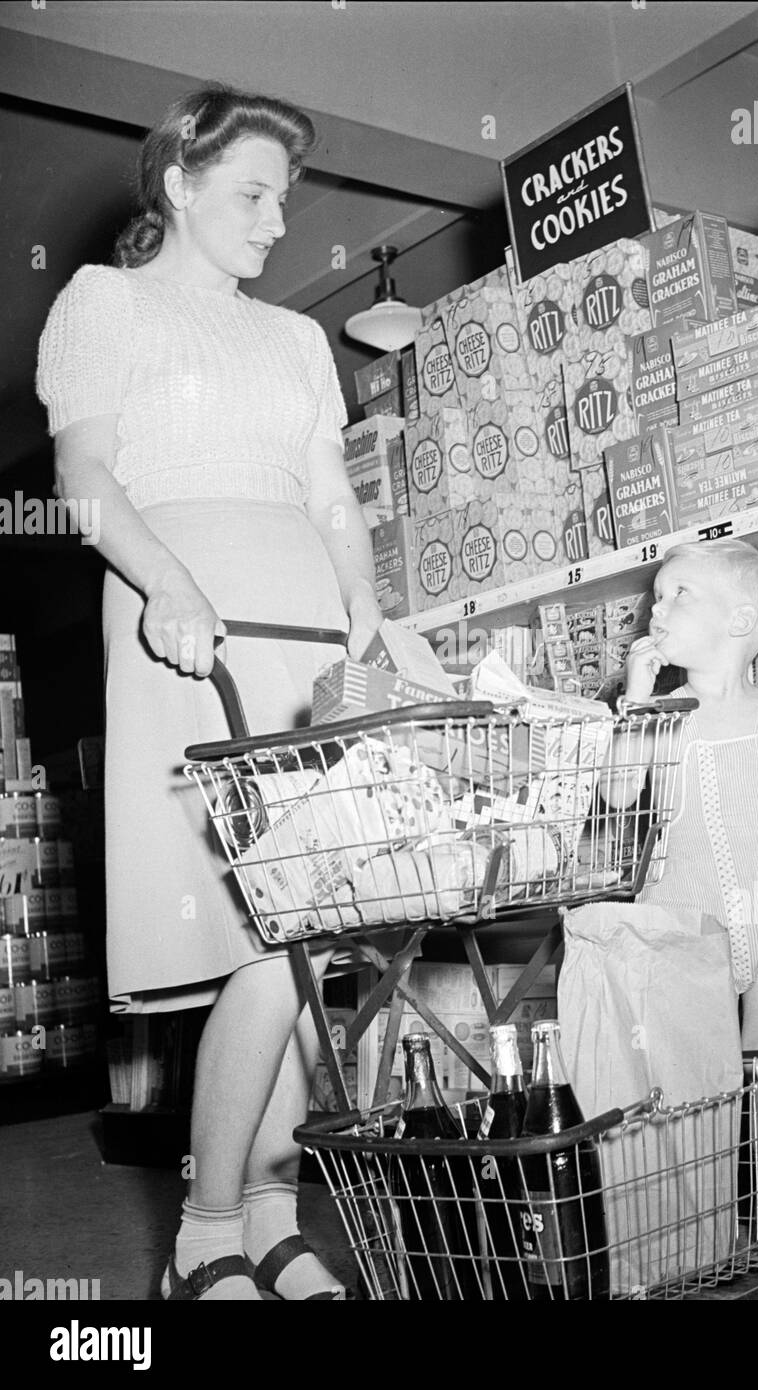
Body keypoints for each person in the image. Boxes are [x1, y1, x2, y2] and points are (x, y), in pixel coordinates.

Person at [36, 86, 383, 1300]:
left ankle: (271, 1224)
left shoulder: (294, 340)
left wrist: (371, 614)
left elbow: (332, 496)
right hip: (188, 626)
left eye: (285, 198)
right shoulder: (105, 304)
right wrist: (168, 586)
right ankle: (203, 1234)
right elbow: (84, 475)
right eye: (252, 192)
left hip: (297, 633)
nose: (277, 220)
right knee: (263, 933)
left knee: (313, 940)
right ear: (177, 184)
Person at [612, 537, 758, 1270]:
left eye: (679, 593)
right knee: (697, 1088)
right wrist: (635, 700)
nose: (659, 607)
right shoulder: (659, 720)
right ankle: (703, 1231)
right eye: (656, 596)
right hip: (690, 931)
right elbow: (618, 793)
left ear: (741, 619)